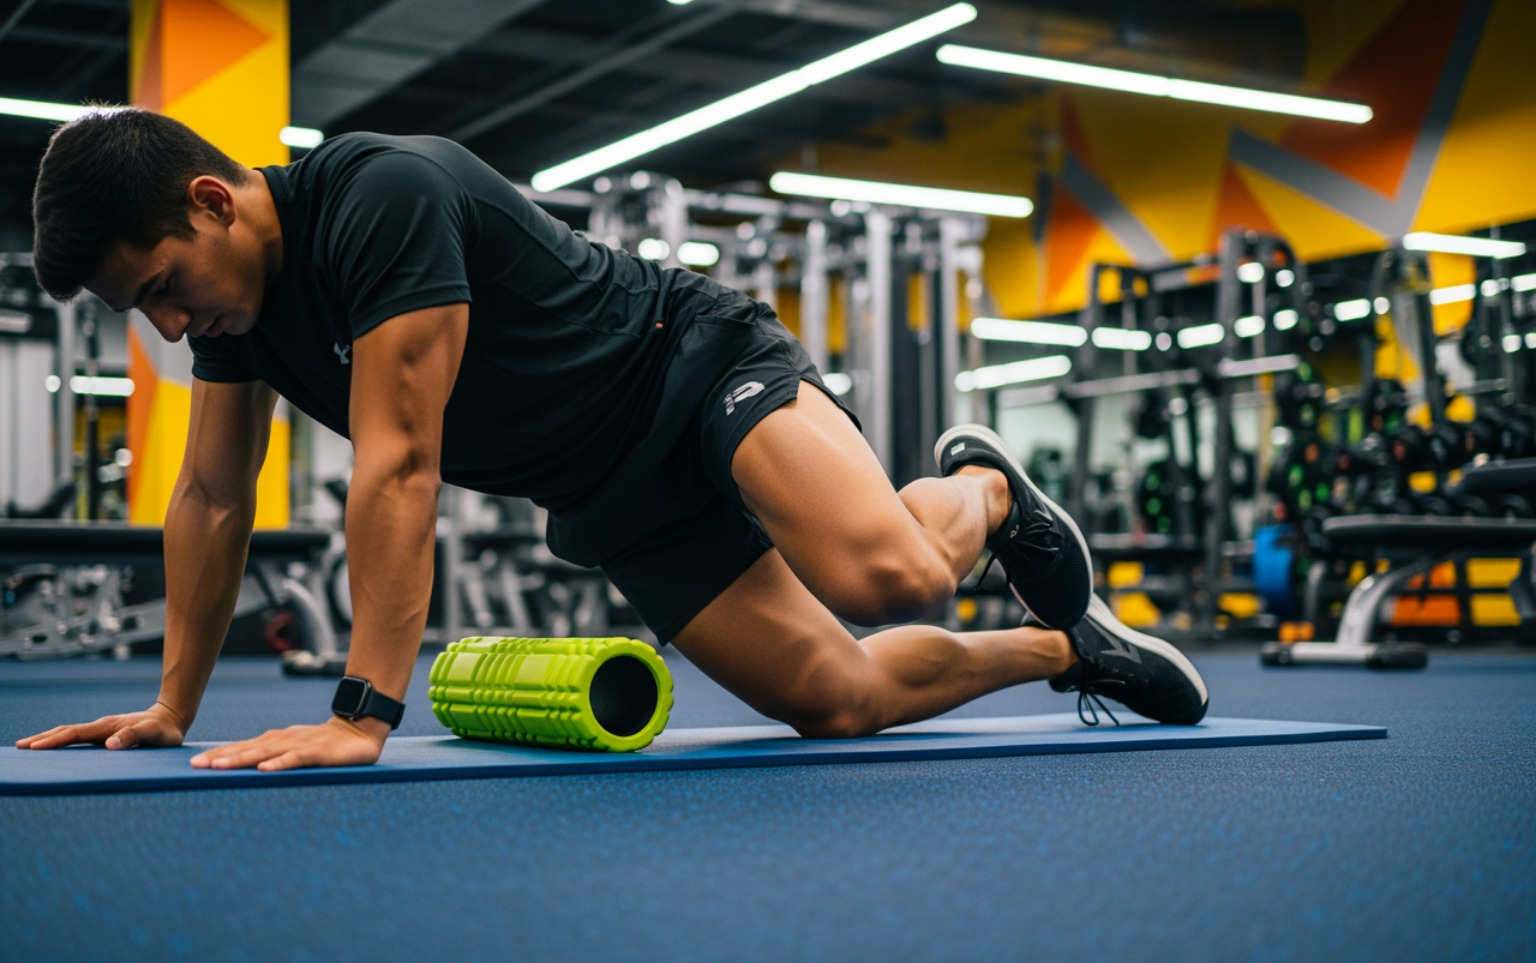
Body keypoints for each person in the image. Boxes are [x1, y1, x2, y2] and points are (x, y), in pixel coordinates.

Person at [16, 108, 1205, 771]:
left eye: (164, 286)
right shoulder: (241, 317)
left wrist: (361, 711)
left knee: (888, 579)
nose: (170, 326)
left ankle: (984, 496)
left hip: (687, 372)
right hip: (609, 487)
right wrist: (172, 706)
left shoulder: (379, 197)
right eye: (145, 312)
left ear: (213, 203)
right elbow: (212, 499)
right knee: (835, 700)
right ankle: (1067, 654)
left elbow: (401, 465)